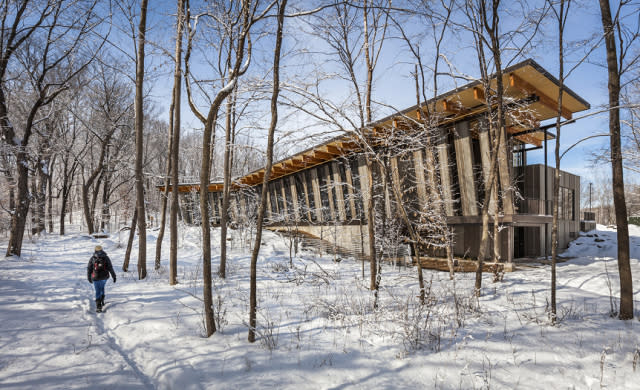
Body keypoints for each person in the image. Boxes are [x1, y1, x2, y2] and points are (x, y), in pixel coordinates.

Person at [87, 245, 116, 312]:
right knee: (102, 287)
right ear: (102, 250)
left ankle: (98, 306)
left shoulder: (92, 258)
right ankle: (102, 299)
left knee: (97, 290)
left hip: (95, 277)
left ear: (95, 250)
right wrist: (114, 276)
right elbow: (110, 267)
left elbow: (89, 268)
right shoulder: (106, 257)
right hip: (104, 277)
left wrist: (89, 277)